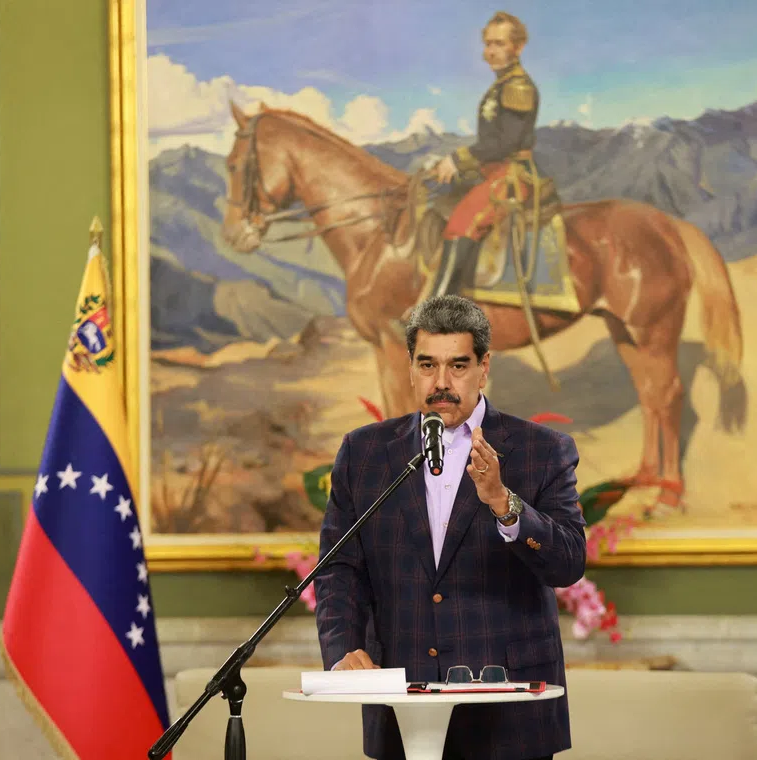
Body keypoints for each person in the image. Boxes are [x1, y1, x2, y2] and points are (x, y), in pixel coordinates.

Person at [314, 295, 587, 760]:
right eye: (428, 365)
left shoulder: (542, 449)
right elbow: (338, 567)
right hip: (403, 708)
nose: (441, 383)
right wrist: (345, 647)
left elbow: (568, 563)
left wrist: (503, 503)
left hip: (509, 714)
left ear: (484, 367)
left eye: (458, 366)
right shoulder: (364, 453)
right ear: (410, 367)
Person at [426, 11, 542, 299]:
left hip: (511, 175)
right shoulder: (501, 84)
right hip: (490, 171)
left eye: (499, 44)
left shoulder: (518, 87)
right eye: (488, 43)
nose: (490, 52)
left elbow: (505, 144)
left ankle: (438, 310)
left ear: (518, 47)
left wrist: (456, 159)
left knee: (461, 223)